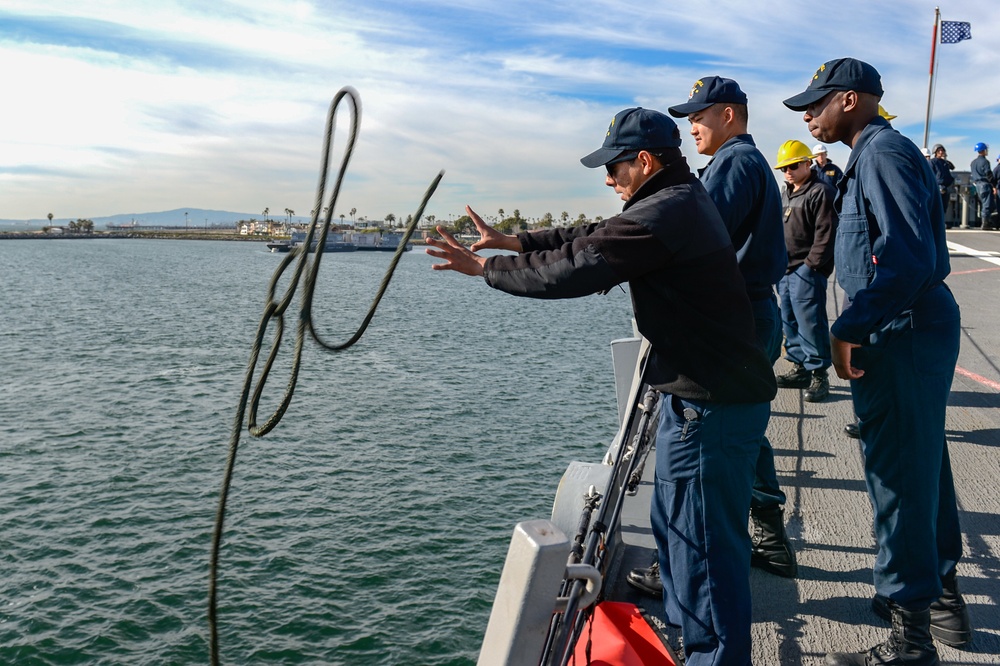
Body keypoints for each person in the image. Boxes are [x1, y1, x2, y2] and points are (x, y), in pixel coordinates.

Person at [426, 106, 777, 665]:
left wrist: (483, 270)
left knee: (706, 555)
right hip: (702, 396)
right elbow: (587, 235)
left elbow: (577, 267)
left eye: (614, 167)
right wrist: (514, 243)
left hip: (712, 405)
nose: (607, 178)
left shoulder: (664, 213)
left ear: (643, 160)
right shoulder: (675, 200)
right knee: (677, 533)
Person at [784, 57, 969, 665]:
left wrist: (848, 327)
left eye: (818, 101)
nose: (808, 113)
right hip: (908, 329)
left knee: (897, 481)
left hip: (899, 332)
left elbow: (908, 258)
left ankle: (909, 639)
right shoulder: (870, 157)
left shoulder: (883, 154)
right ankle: (940, 600)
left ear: (854, 99)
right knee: (922, 467)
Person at [626, 77, 795, 598]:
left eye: (698, 116)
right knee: (741, 430)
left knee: (709, 446)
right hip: (751, 313)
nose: (690, 126)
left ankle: (691, 566)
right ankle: (765, 534)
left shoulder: (735, 163)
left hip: (735, 318)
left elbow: (690, 234)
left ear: (728, 113)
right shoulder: (742, 162)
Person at [772, 140, 837, 402]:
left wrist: (812, 266)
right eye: (784, 167)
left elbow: (826, 234)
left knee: (811, 323)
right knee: (789, 320)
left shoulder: (820, 192)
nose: (788, 171)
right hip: (785, 270)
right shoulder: (786, 192)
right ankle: (799, 366)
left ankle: (819, 373)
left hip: (805, 270)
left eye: (793, 165)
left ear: (808, 163)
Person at [971, 142, 997, 230]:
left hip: (977, 185)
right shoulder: (985, 162)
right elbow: (989, 174)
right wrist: (994, 184)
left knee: (984, 204)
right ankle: (985, 224)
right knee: (987, 205)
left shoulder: (973, 163)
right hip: (985, 185)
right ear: (984, 150)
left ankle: (987, 222)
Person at [929, 145, 955, 223]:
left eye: (942, 150)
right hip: (937, 188)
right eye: (939, 150)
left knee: (943, 207)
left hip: (945, 188)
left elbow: (952, 169)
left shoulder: (945, 163)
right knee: (936, 207)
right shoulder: (932, 162)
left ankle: (940, 223)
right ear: (935, 152)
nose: (941, 152)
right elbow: (930, 175)